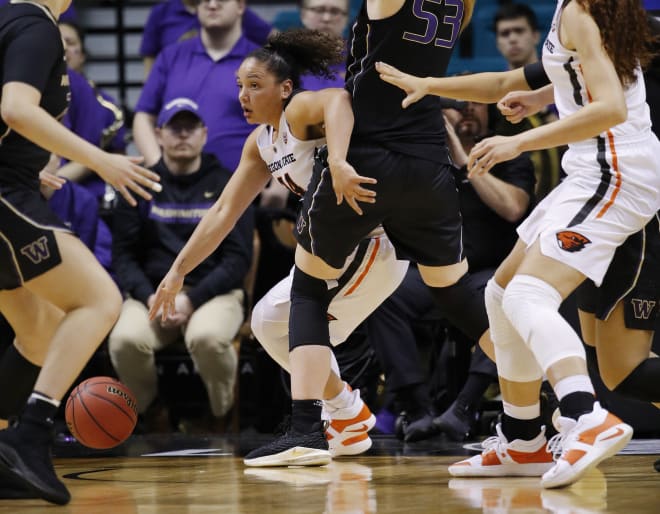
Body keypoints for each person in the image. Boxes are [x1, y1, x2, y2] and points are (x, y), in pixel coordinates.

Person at [376, 0, 659, 489]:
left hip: (617, 173)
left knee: (530, 295)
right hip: (590, 170)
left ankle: (586, 417)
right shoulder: (578, 9)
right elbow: (515, 81)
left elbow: (611, 106)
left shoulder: (581, 11)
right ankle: (523, 438)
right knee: (500, 294)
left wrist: (520, 141)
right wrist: (430, 86)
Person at [232, 0, 498, 467]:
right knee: (456, 296)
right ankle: (540, 412)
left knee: (308, 292)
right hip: (429, 162)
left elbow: (340, 98)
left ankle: (308, 428)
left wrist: (336, 159)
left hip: (371, 156)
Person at [147, 28, 408, 463]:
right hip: (326, 252)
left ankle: (326, 421)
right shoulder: (261, 142)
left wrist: (340, 161)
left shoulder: (299, 109)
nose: (244, 96)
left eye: (255, 86)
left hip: (371, 245)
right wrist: (177, 272)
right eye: (239, 87)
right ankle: (346, 414)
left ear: (284, 88)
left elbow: (339, 100)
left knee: (305, 331)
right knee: (269, 322)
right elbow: (222, 213)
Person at [0, 0, 160, 505]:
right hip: (6, 193)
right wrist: (100, 159)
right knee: (99, 301)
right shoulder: (36, 25)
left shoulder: (8, 17)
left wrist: (28, 162)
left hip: (17, 181)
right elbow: (16, 109)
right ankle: (29, 437)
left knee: (39, 328)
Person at [368, 100, 536, 443]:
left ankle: (465, 405)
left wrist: (463, 157)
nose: (470, 111)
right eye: (460, 106)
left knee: (507, 296)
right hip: (431, 273)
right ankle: (415, 406)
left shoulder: (508, 154)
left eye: (477, 105)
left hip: (485, 274)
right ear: (443, 115)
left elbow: (513, 208)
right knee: (383, 295)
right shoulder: (424, 157)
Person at [108, 98, 253, 432]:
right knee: (124, 340)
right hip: (153, 293)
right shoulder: (139, 183)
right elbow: (124, 257)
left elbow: (237, 259)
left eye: (191, 128)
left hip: (212, 293)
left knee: (207, 337)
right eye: (175, 127)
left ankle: (221, 416)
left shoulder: (228, 184)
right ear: (159, 135)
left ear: (204, 134)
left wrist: (191, 300)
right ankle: (153, 412)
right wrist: (148, 297)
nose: (183, 135)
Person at [133, 0, 259, 171]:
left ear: (241, 6)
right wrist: (159, 168)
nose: (212, 5)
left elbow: (281, 126)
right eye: (204, 0)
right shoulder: (170, 57)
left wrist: (277, 186)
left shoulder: (262, 63)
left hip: (244, 186)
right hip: (177, 188)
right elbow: (143, 117)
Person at [491, 3, 563, 201]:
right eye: (505, 34)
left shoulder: (562, 80)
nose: (512, 38)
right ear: (497, 42)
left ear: (535, 35)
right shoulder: (493, 99)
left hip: (566, 183)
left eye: (519, 31)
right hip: (517, 192)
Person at [140, 0, 274, 79]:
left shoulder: (228, 9)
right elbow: (149, 66)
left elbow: (276, 39)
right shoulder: (161, 12)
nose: (212, 6)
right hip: (177, 85)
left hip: (228, 82)